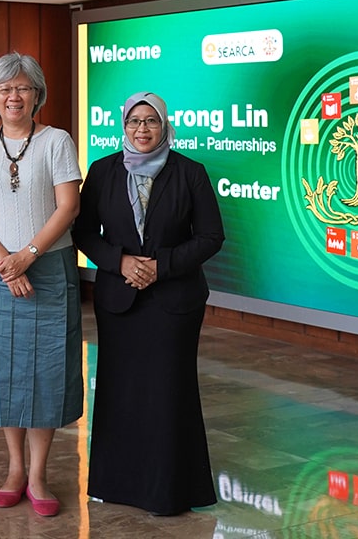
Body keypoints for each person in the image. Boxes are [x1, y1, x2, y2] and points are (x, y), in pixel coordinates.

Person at [72, 91, 224, 515]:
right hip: (120, 302)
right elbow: (84, 232)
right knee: (121, 392)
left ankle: (169, 492)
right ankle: (116, 484)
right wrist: (119, 261)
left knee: (167, 393)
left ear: (164, 125)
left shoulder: (190, 172)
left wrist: (161, 266)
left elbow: (211, 236)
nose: (142, 129)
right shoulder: (102, 171)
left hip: (174, 302)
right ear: (124, 126)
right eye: (134, 121)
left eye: (151, 121)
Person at [0, 52, 83, 517]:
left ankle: (38, 475)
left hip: (48, 270)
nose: (13, 96)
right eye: (4, 89)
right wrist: (4, 264)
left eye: (23, 88)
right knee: (5, 371)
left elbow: (67, 207)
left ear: (37, 95)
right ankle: (13, 468)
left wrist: (27, 256)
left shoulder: (56, 140)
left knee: (48, 372)